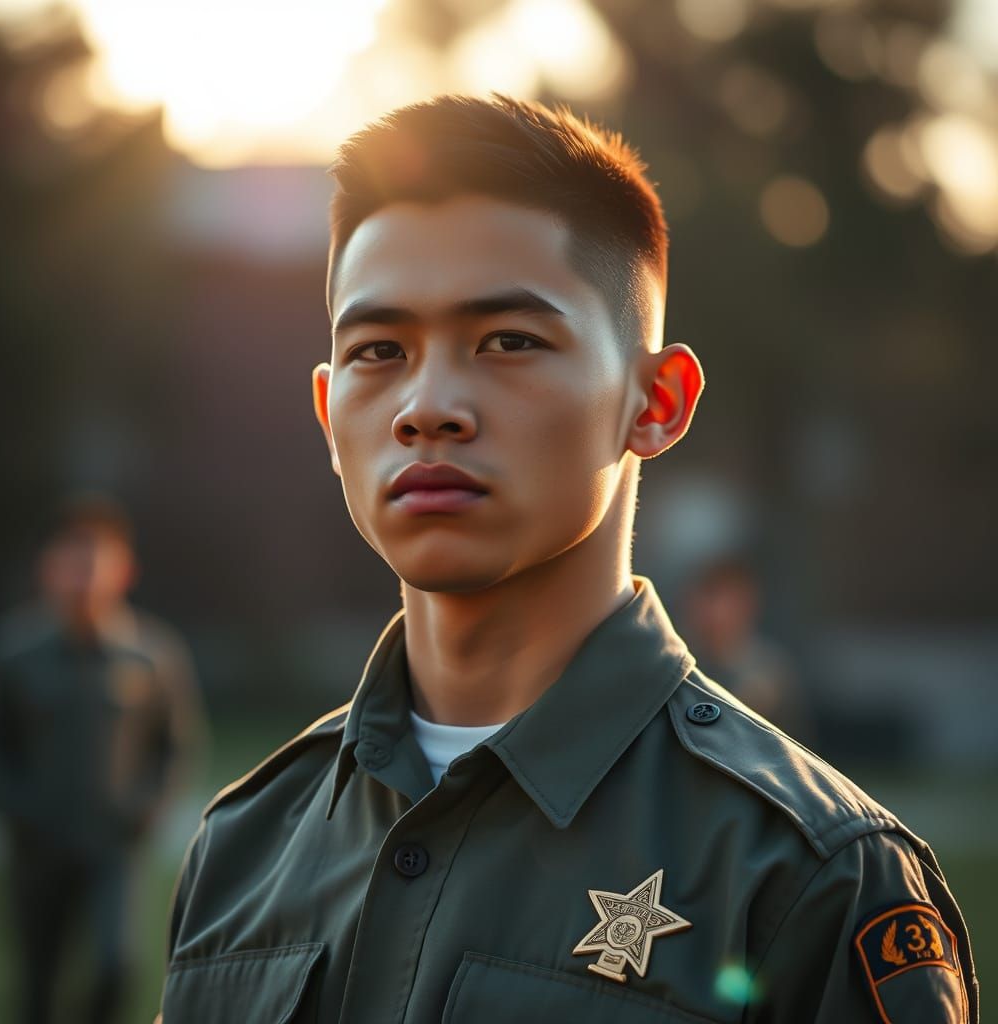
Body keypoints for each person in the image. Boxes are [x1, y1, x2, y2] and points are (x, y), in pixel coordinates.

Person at [158, 96, 976, 1022]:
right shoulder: (244, 846)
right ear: (328, 416)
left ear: (657, 400)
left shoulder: (805, 876)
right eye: (379, 349)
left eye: (509, 341)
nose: (425, 406)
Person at [0, 493, 205, 1024]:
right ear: (47, 569)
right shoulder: (13, 653)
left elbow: (175, 746)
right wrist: (18, 811)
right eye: (70, 561)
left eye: (96, 560)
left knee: (116, 966)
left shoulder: (153, 655)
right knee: (37, 984)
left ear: (124, 570)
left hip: (113, 849)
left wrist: (144, 810)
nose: (83, 575)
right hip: (36, 849)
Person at [681, 553, 809, 739]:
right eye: (706, 596)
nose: (712, 609)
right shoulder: (679, 662)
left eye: (721, 598)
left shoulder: (768, 671)